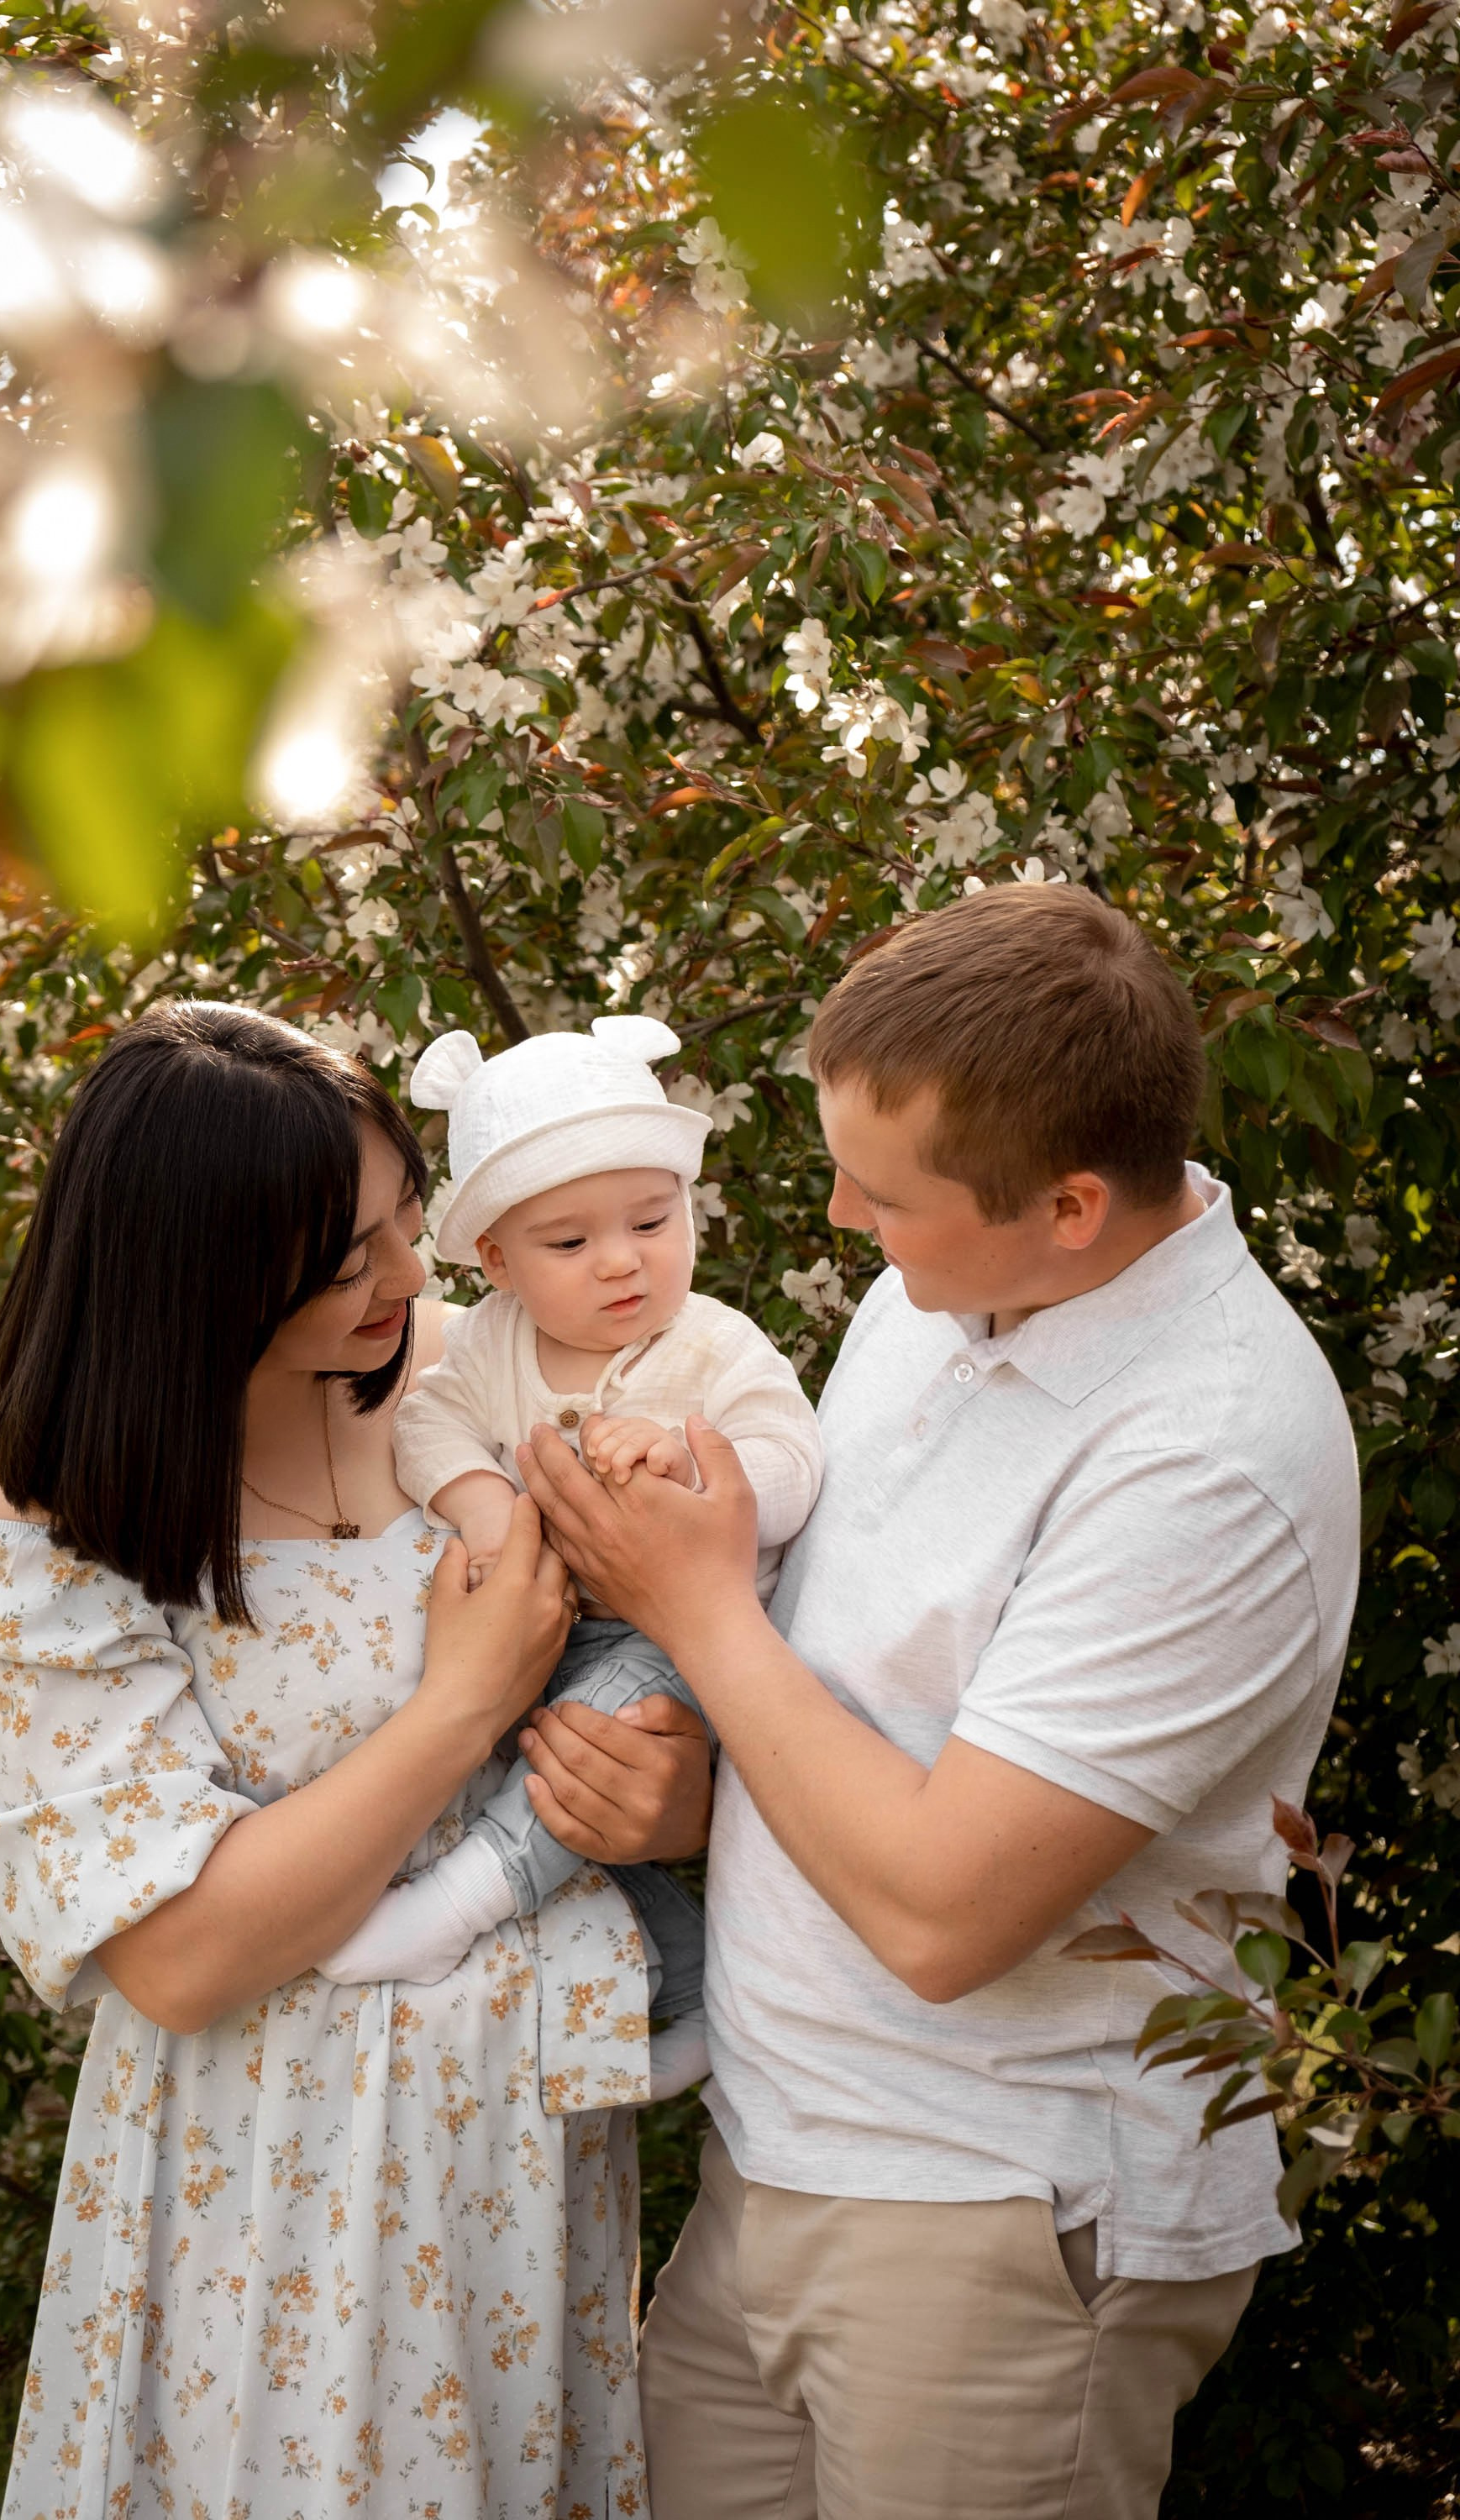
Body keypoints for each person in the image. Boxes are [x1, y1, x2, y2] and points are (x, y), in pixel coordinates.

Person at [515, 886, 1361, 2520]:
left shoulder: (1207, 1460)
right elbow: (860, 1712)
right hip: (778, 2159)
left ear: (1067, 1203)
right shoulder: (947, 1293)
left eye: (881, 1192)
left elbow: (943, 1915)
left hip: (995, 2218)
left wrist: (686, 1595)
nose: (841, 1220)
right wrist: (704, 1793)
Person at [0, 1000, 710, 2520]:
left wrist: (677, 1803)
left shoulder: (487, 1389)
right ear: (196, 1277)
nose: (411, 1280)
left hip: (515, 2163)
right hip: (256, 2179)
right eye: (350, 1260)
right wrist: (460, 1708)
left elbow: (703, 1634)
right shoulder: (55, 1514)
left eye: (407, 1225)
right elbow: (184, 1953)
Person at [314, 1016, 822, 2098]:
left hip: (678, 1632)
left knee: (587, 1749)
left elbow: (793, 1466)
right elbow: (425, 1430)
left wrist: (697, 1470)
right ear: (495, 1258)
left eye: (653, 1218)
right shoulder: (493, 1341)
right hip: (554, 1629)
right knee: (567, 1800)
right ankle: (692, 1987)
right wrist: (491, 1507)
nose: (625, 1260)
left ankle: (451, 1913)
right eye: (571, 1243)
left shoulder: (714, 1346)